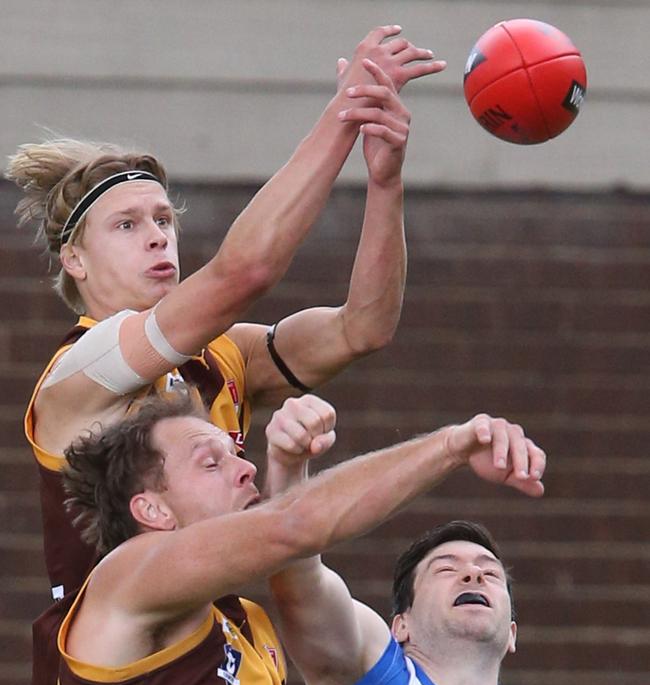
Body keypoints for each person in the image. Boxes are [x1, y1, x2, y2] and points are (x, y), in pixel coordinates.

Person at [1, 390, 546, 685]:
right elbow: (294, 527)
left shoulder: (248, 628)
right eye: (210, 463)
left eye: (238, 454)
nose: (246, 469)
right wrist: (451, 444)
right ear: (153, 509)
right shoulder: (130, 573)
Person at [6, 25, 445, 600]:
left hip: (214, 646)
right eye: (127, 225)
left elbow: (363, 326)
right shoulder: (81, 366)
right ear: (75, 259)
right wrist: (345, 115)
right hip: (119, 679)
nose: (158, 238)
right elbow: (245, 273)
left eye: (164, 219)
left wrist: (385, 183)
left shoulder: (224, 354)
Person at [258, 396, 595, 685]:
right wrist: (288, 468)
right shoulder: (366, 666)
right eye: (446, 569)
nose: (473, 576)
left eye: (489, 573)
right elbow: (298, 577)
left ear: (513, 632)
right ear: (401, 624)